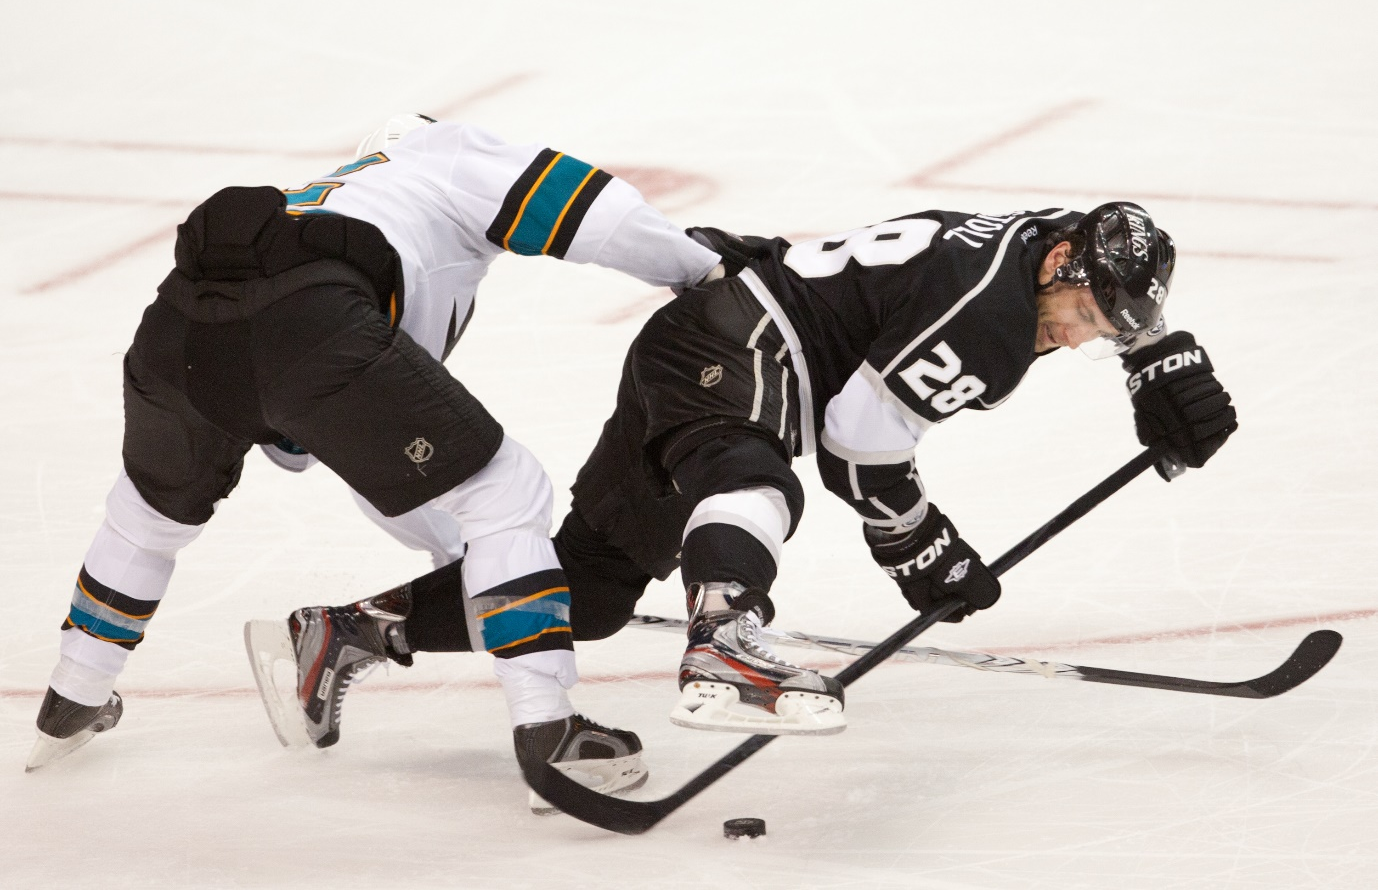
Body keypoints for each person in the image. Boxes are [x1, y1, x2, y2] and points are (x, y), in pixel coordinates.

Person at [282, 201, 1237, 741]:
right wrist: (920, 546)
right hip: (742, 349)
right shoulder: (994, 320)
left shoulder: (1028, 243)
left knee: (599, 588)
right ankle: (726, 636)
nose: (1076, 338)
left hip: (701, 337)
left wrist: (1156, 355)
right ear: (1060, 261)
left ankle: (351, 630)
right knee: (755, 480)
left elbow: (1042, 273)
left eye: (1103, 330)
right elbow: (858, 441)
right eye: (1084, 315)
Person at [27, 114, 723, 808]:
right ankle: (549, 729)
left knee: (145, 517)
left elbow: (376, 458)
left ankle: (73, 696)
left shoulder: (352, 192)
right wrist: (704, 270)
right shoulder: (444, 151)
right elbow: (588, 210)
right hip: (306, 321)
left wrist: (486, 568)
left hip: (179, 323)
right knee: (507, 488)